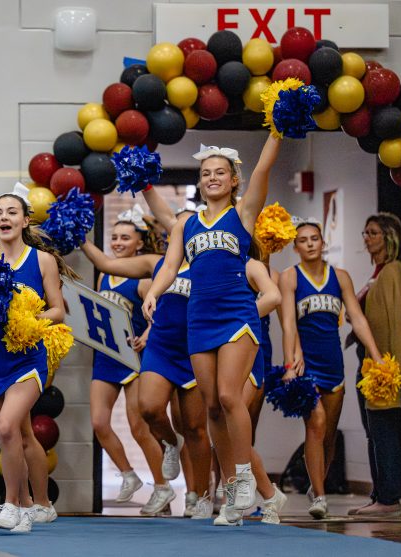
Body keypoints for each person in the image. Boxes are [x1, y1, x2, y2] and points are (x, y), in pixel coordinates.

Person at [143, 137, 285, 525]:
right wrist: (154, 292)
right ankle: (232, 488)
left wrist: (275, 132)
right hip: (199, 318)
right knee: (211, 409)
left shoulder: (243, 213)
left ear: (233, 179)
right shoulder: (186, 224)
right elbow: (170, 266)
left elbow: (263, 169)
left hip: (237, 313)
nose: (212, 178)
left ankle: (243, 478)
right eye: (206, 173)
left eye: (220, 172)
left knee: (227, 394)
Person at [82, 205, 212, 519]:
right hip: (159, 348)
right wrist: (79, 237)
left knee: (193, 427)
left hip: (193, 349)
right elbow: (106, 264)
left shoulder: (209, 264)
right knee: (150, 409)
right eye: (178, 226)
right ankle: (167, 448)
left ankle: (198, 494)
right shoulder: (157, 263)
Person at [0, 184, 72, 532]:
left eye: (11, 212)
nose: (4, 217)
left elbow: (58, 310)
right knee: (8, 437)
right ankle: (25, 506)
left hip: (28, 358)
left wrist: (29, 319)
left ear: (25, 220)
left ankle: (10, 504)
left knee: (9, 427)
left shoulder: (42, 260)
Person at [279, 219, 382, 519]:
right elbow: (288, 324)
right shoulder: (290, 277)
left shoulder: (340, 277)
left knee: (328, 436)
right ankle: (320, 496)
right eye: (303, 240)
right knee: (317, 424)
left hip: (333, 364)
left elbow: (357, 318)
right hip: (305, 365)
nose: (310, 244)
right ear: (295, 246)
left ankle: (317, 485)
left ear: (323, 242)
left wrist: (376, 355)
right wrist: (290, 363)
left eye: (314, 238)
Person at [88, 205, 175, 515]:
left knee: (140, 428)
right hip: (106, 356)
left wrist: (147, 335)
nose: (118, 242)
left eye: (125, 237)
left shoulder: (143, 279)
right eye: (114, 237)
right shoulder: (103, 275)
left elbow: (161, 313)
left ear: (140, 243)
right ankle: (128, 475)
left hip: (134, 358)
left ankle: (162, 488)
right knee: (99, 422)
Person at [348, 213, 401, 517]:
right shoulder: (377, 273)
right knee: (375, 433)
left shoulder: (393, 272)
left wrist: (392, 372)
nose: (367, 238)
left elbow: (398, 328)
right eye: (365, 232)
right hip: (369, 363)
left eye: (373, 232)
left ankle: (388, 498)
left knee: (384, 433)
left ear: (389, 236)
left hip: (383, 368)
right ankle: (380, 494)